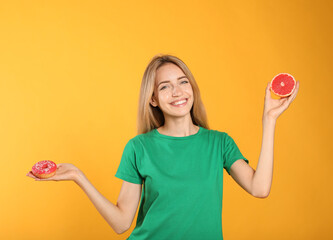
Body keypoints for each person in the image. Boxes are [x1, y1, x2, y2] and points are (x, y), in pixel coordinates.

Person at [26, 54, 299, 239]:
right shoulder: (139, 148)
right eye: (165, 87)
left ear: (192, 88)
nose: (178, 92)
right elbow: (122, 224)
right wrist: (78, 176)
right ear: (153, 99)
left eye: (183, 82)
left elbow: (259, 188)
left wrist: (269, 120)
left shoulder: (219, 143)